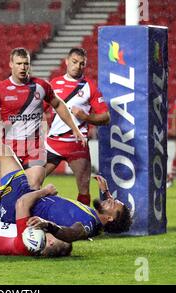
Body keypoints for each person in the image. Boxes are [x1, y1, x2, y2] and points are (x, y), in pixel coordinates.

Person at [0, 101, 131, 241]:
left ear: (109, 218)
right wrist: (106, 193)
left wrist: (48, 225)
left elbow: (72, 233)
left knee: (4, 153)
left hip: (24, 202)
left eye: (114, 204)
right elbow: (99, 216)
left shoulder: (88, 225)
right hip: (20, 205)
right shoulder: (94, 218)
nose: (112, 200)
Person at [0, 47, 87, 190]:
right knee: (6, 195)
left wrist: (75, 129)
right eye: (19, 64)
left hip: (35, 148)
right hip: (10, 149)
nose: (23, 67)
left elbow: (59, 104)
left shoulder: (41, 86)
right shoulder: (0, 89)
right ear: (11, 64)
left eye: (26, 64)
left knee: (33, 189)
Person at [45, 48, 110, 206]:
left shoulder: (90, 87)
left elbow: (106, 117)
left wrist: (86, 117)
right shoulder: (53, 84)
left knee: (84, 189)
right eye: (74, 62)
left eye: (82, 64)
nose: (77, 66)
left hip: (77, 144)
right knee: (32, 182)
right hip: (53, 143)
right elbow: (40, 109)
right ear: (66, 61)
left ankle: (84, 224)